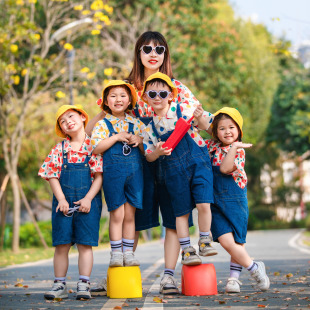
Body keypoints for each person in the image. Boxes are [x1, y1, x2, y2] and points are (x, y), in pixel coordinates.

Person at [87, 31, 212, 296]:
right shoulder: (125, 90)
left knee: (172, 217)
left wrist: (211, 125)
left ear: (166, 55)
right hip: (137, 161)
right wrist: (105, 108)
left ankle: (168, 277)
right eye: (147, 49)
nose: (153, 54)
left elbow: (202, 122)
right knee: (130, 216)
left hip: (175, 160)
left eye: (159, 49)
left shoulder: (177, 87)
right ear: (138, 53)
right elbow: (91, 131)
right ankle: (117, 275)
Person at [142, 72, 216, 265]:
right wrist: (157, 153)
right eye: (152, 94)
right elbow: (148, 156)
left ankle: (205, 240)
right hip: (173, 173)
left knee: (204, 203)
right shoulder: (149, 129)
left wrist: (199, 118)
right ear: (145, 98)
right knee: (180, 212)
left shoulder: (184, 109)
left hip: (198, 163)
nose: (157, 98)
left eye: (163, 94)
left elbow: (209, 124)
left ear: (172, 95)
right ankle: (187, 249)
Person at [38, 104, 103, 300]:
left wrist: (89, 198)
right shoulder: (60, 149)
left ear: (83, 117)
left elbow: (99, 176)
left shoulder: (94, 146)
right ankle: (59, 284)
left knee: (85, 244)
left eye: (71, 116)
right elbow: (52, 175)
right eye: (63, 121)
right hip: (63, 204)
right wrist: (61, 199)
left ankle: (84, 284)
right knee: (62, 244)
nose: (68, 122)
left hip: (88, 203)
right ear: (62, 129)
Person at [206, 107, 270, 293]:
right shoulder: (211, 145)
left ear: (239, 130)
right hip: (215, 201)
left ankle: (234, 280)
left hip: (235, 200)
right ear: (216, 131)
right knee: (225, 241)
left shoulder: (239, 149)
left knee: (237, 241)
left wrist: (233, 147)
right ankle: (254, 268)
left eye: (232, 127)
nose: (227, 132)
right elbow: (203, 125)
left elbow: (225, 169)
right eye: (222, 128)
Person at [91, 80, 144, 267]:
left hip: (134, 174)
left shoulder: (136, 123)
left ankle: (128, 252)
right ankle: (115, 253)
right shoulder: (102, 125)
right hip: (113, 175)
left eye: (122, 96)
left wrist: (138, 139)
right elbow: (96, 148)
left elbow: (146, 148)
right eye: (113, 96)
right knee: (117, 214)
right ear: (106, 101)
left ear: (130, 100)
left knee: (130, 214)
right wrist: (116, 137)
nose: (118, 99)